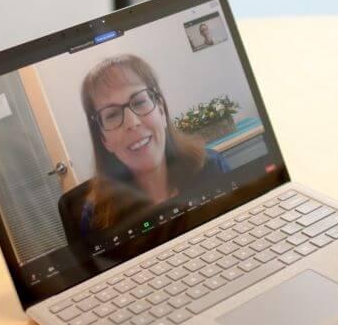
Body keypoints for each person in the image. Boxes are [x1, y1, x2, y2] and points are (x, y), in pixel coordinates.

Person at [78, 53, 229, 238]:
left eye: (140, 102)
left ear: (161, 110)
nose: (132, 122)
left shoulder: (211, 168)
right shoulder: (97, 218)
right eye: (112, 115)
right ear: (103, 139)